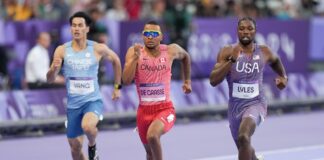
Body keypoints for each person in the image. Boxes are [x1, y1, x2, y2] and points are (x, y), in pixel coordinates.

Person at [209, 17, 288, 160]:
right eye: (242, 28)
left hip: (256, 103)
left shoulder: (264, 51)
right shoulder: (227, 51)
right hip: (235, 107)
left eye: (250, 29)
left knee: (244, 136)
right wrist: (231, 61)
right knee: (243, 145)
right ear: (237, 31)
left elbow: (276, 61)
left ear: (255, 31)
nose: (246, 32)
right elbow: (213, 81)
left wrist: (283, 76)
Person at [46, 11, 122, 160]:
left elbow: (116, 61)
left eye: (80, 25)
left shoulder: (97, 48)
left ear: (87, 28)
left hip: (92, 101)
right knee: (75, 148)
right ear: (70, 29)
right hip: (73, 105)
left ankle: (93, 146)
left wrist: (117, 87)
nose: (76, 29)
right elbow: (49, 79)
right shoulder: (61, 50)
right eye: (74, 26)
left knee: (88, 127)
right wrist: (53, 70)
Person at [122, 21, 192, 160]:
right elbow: (126, 80)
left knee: (153, 136)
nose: (150, 37)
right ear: (142, 36)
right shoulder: (134, 52)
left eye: (154, 34)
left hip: (165, 109)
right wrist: (135, 58)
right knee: (149, 153)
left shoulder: (171, 50)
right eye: (147, 34)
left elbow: (186, 57)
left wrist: (187, 81)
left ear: (161, 37)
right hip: (143, 112)